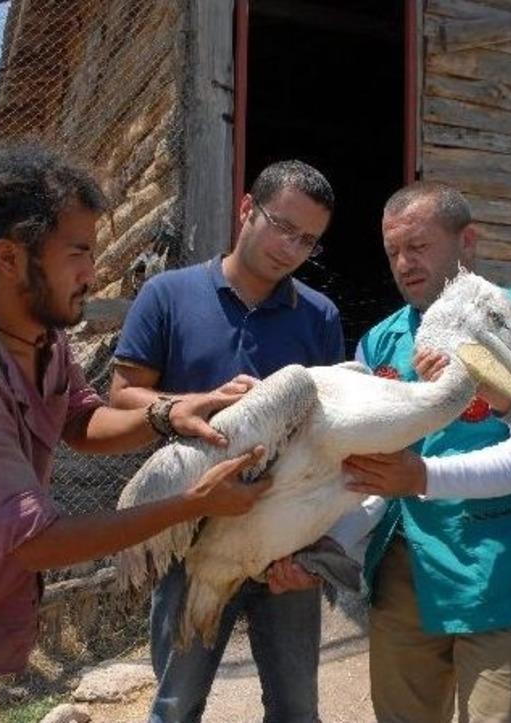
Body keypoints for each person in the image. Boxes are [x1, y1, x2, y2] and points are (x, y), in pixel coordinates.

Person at [0, 147, 271, 723]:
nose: (92, 271)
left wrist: (167, 413)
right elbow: (36, 543)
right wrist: (191, 505)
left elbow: (81, 421)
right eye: (78, 251)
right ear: (10, 257)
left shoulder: (40, 337)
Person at [323, 181, 511, 722]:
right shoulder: (378, 343)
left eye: (419, 246)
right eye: (393, 251)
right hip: (402, 573)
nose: (404, 263)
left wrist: (422, 476)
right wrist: (328, 545)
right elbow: (370, 475)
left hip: (498, 570)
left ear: (468, 241)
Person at [109, 160, 344, 723]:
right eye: (282, 226)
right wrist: (196, 404)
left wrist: (313, 547)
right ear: (246, 209)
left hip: (284, 536)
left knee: (296, 709)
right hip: (189, 529)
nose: (290, 248)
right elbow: (121, 397)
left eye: (307, 241)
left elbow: (328, 431)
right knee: (176, 706)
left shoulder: (319, 315)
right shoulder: (168, 295)